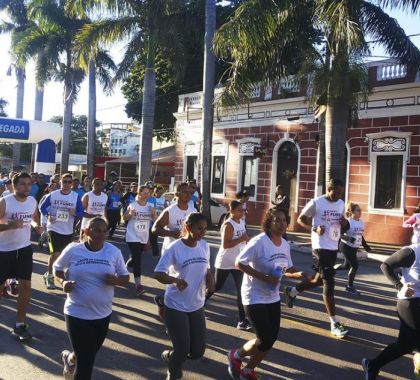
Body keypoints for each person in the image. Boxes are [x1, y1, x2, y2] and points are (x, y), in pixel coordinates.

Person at [228, 207, 308, 380]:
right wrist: (264, 277)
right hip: (253, 295)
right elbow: (239, 263)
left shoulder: (285, 244)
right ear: (269, 222)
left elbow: (286, 268)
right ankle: (236, 355)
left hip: (272, 296)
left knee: (270, 340)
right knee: (264, 338)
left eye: (284, 220)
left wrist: (298, 274)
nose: (282, 224)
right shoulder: (259, 242)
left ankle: (248, 370)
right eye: (277, 220)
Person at [53, 217, 129, 379]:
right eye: (97, 230)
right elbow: (57, 268)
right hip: (76, 312)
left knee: (86, 353)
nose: (101, 234)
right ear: (87, 232)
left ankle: (70, 359)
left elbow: (125, 277)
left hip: (103, 314)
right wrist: (63, 281)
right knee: (87, 361)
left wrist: (115, 280)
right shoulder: (74, 250)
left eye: (104, 231)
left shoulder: (113, 252)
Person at [284, 178, 349, 338]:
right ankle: (334, 323)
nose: (339, 196)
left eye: (341, 193)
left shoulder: (341, 204)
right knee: (329, 283)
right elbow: (300, 219)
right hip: (320, 247)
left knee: (319, 280)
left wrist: (344, 222)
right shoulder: (317, 202)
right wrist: (314, 228)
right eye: (337, 192)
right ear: (329, 189)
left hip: (333, 246)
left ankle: (292, 291)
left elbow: (343, 225)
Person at [154, 212, 215, 380]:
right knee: (182, 351)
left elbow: (207, 269)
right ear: (187, 227)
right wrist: (174, 280)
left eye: (205, 229)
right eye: (199, 229)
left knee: (197, 352)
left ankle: (171, 356)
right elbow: (158, 273)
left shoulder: (204, 246)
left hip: (196, 304)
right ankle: (173, 373)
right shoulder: (175, 248)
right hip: (176, 305)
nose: (203, 233)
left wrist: (210, 278)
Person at [362, 242, 420, 379]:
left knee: (405, 345)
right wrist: (399, 286)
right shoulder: (412, 252)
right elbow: (385, 265)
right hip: (410, 303)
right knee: (412, 343)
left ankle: (372, 365)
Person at [0, 172, 43, 341]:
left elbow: (33, 218)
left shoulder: (32, 201)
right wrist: (10, 224)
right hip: (4, 250)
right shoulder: (5, 202)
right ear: (15, 185)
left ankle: (19, 324)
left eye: (29, 184)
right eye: (23, 184)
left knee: (25, 286)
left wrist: (36, 226)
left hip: (24, 249)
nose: (27, 187)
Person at [152, 182, 197, 318]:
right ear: (176, 194)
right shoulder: (170, 210)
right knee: (173, 281)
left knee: (184, 279)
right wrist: (171, 233)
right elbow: (155, 228)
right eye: (185, 192)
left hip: (188, 250)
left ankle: (164, 301)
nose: (188, 195)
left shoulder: (192, 210)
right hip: (172, 251)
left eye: (190, 193)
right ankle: (170, 315)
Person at [205, 200, 251, 330]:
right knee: (217, 286)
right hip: (225, 261)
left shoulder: (241, 222)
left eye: (243, 210)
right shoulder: (228, 225)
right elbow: (226, 245)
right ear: (231, 211)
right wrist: (242, 239)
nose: (242, 212)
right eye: (239, 210)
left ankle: (242, 321)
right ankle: (202, 300)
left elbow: (243, 240)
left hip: (238, 262)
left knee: (241, 290)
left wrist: (247, 243)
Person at [40, 173, 84, 289]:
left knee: (65, 255)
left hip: (68, 230)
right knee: (55, 253)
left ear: (72, 184)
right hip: (53, 228)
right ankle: (49, 276)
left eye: (69, 182)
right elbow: (42, 207)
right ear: (60, 182)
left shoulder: (75, 196)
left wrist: (74, 213)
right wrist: (48, 214)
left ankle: (62, 275)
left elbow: (81, 212)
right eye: (64, 182)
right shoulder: (53, 195)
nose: (67, 184)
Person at [124, 185, 156, 296]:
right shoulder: (133, 205)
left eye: (148, 193)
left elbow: (156, 222)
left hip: (143, 236)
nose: (146, 195)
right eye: (144, 192)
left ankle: (125, 266)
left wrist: (153, 214)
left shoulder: (150, 206)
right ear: (139, 193)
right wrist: (130, 214)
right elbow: (124, 218)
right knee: (138, 260)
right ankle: (138, 285)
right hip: (132, 235)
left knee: (136, 256)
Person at [334, 202, 372, 295]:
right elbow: (339, 234)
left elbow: (360, 236)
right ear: (352, 212)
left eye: (360, 210)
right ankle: (350, 287)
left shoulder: (361, 222)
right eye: (358, 210)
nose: (360, 212)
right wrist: (349, 238)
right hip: (346, 246)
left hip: (354, 247)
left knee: (346, 266)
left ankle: (331, 269)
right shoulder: (348, 222)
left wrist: (366, 246)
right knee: (355, 266)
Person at [148, 185, 167, 257]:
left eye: (162, 192)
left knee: (154, 236)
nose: (161, 193)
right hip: (149, 218)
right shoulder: (152, 199)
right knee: (147, 235)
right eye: (159, 192)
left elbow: (166, 208)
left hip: (157, 219)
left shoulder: (163, 199)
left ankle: (155, 253)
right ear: (156, 192)